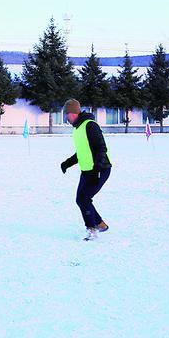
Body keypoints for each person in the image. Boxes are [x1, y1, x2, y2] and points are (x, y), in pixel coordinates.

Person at [60, 99, 112, 240]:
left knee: (84, 199)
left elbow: (101, 148)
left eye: (67, 114)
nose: (66, 117)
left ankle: (92, 229)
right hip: (87, 170)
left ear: (74, 113)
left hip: (99, 169)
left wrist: (98, 169)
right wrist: (67, 163)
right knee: (81, 199)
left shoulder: (90, 125)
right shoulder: (78, 128)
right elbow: (82, 152)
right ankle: (100, 224)